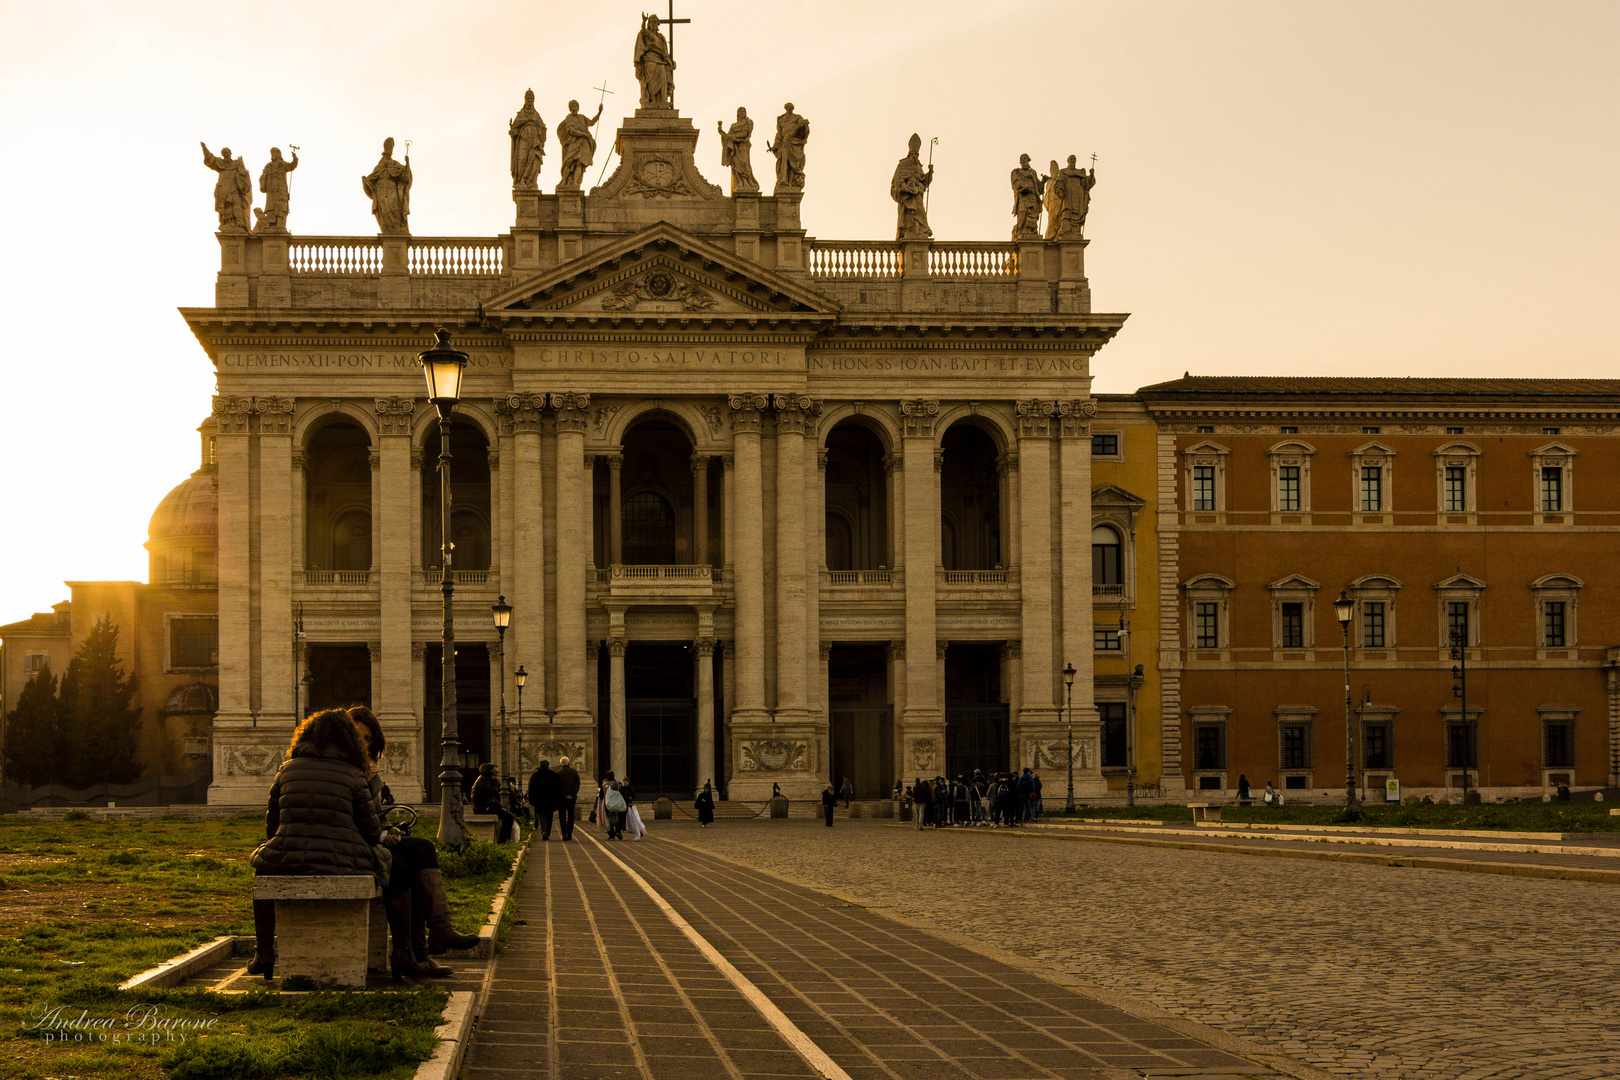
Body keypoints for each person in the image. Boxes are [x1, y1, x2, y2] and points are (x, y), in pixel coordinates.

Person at [347, 708, 477, 979]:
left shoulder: (363, 770)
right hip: (349, 845)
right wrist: (381, 834)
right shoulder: (347, 770)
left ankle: (419, 948)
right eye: (358, 737)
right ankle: (420, 946)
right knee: (412, 858)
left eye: (369, 739)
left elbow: (367, 815)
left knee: (418, 851)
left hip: (360, 840)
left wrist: (387, 828)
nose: (363, 744)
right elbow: (348, 818)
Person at [472, 763, 516, 843]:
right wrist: (496, 783)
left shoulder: (486, 779)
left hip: (486, 806)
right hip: (482, 808)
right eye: (495, 772)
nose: (497, 775)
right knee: (508, 817)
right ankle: (503, 841)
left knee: (506, 814)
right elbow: (493, 793)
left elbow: (492, 798)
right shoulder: (484, 781)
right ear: (489, 772)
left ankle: (505, 840)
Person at [528, 758, 562, 840]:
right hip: (550, 800)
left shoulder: (535, 776)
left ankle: (544, 831)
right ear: (548, 766)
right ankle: (548, 832)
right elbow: (558, 788)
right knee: (549, 816)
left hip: (539, 800)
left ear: (540, 766)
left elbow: (531, 789)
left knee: (542, 816)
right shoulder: (554, 775)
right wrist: (557, 800)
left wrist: (531, 800)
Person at [556, 756, 581, 840]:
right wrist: (571, 794)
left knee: (562, 816)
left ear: (561, 764)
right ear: (568, 763)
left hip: (562, 798)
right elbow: (577, 784)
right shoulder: (574, 772)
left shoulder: (558, 773)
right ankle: (570, 833)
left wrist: (564, 794)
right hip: (572, 798)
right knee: (571, 816)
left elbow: (557, 787)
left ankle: (564, 834)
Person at [602, 774, 628, 840]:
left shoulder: (604, 785)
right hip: (618, 804)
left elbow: (601, 795)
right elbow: (623, 793)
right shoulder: (618, 784)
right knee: (618, 818)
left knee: (609, 819)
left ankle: (611, 835)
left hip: (608, 804)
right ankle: (618, 831)